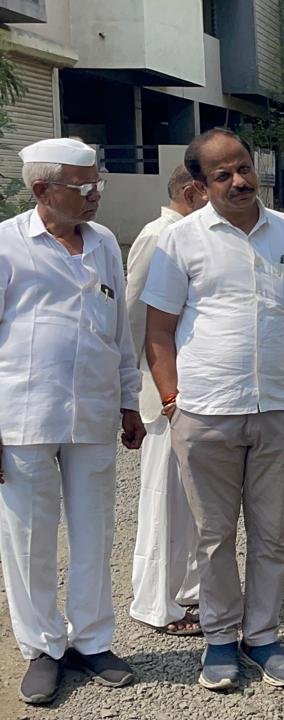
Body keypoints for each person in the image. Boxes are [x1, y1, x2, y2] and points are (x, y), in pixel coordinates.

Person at [142, 128, 284, 691]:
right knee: (214, 535)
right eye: (223, 174)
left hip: (279, 406)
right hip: (206, 412)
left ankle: (265, 636)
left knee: (273, 532)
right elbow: (158, 330)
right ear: (200, 185)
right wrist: (174, 401)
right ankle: (220, 641)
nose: (240, 181)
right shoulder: (181, 241)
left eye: (245, 168)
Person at [0, 138, 145, 704]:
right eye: (85, 187)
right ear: (42, 190)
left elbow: (118, 330)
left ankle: (90, 639)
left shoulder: (105, 242)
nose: (97, 194)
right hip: (24, 419)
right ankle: (41, 647)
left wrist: (130, 399)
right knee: (29, 539)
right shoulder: (7, 245)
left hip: (93, 411)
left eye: (98, 181)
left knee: (94, 531)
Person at [127, 164, 207, 637]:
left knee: (194, 501)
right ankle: (155, 602)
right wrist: (142, 392)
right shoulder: (158, 235)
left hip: (197, 391)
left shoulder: (194, 234)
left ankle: (190, 592)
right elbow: (134, 317)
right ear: (192, 191)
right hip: (163, 390)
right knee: (162, 499)